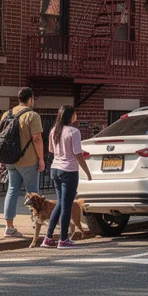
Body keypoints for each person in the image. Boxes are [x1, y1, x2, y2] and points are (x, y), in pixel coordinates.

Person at [43, 105, 92, 249]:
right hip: (69, 171)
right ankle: (63, 239)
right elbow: (77, 154)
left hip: (55, 169)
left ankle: (48, 237)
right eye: (75, 114)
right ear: (71, 116)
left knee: (60, 203)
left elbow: (51, 150)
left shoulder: (54, 130)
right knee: (67, 205)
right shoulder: (74, 132)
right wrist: (87, 172)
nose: (76, 116)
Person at [1, 87, 44, 238]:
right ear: (30, 99)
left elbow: (1, 138)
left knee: (12, 191)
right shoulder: (32, 115)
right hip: (28, 160)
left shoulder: (7, 114)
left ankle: (9, 227)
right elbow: (37, 138)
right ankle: (36, 223)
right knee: (33, 193)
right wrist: (41, 159)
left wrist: (1, 159)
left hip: (10, 160)